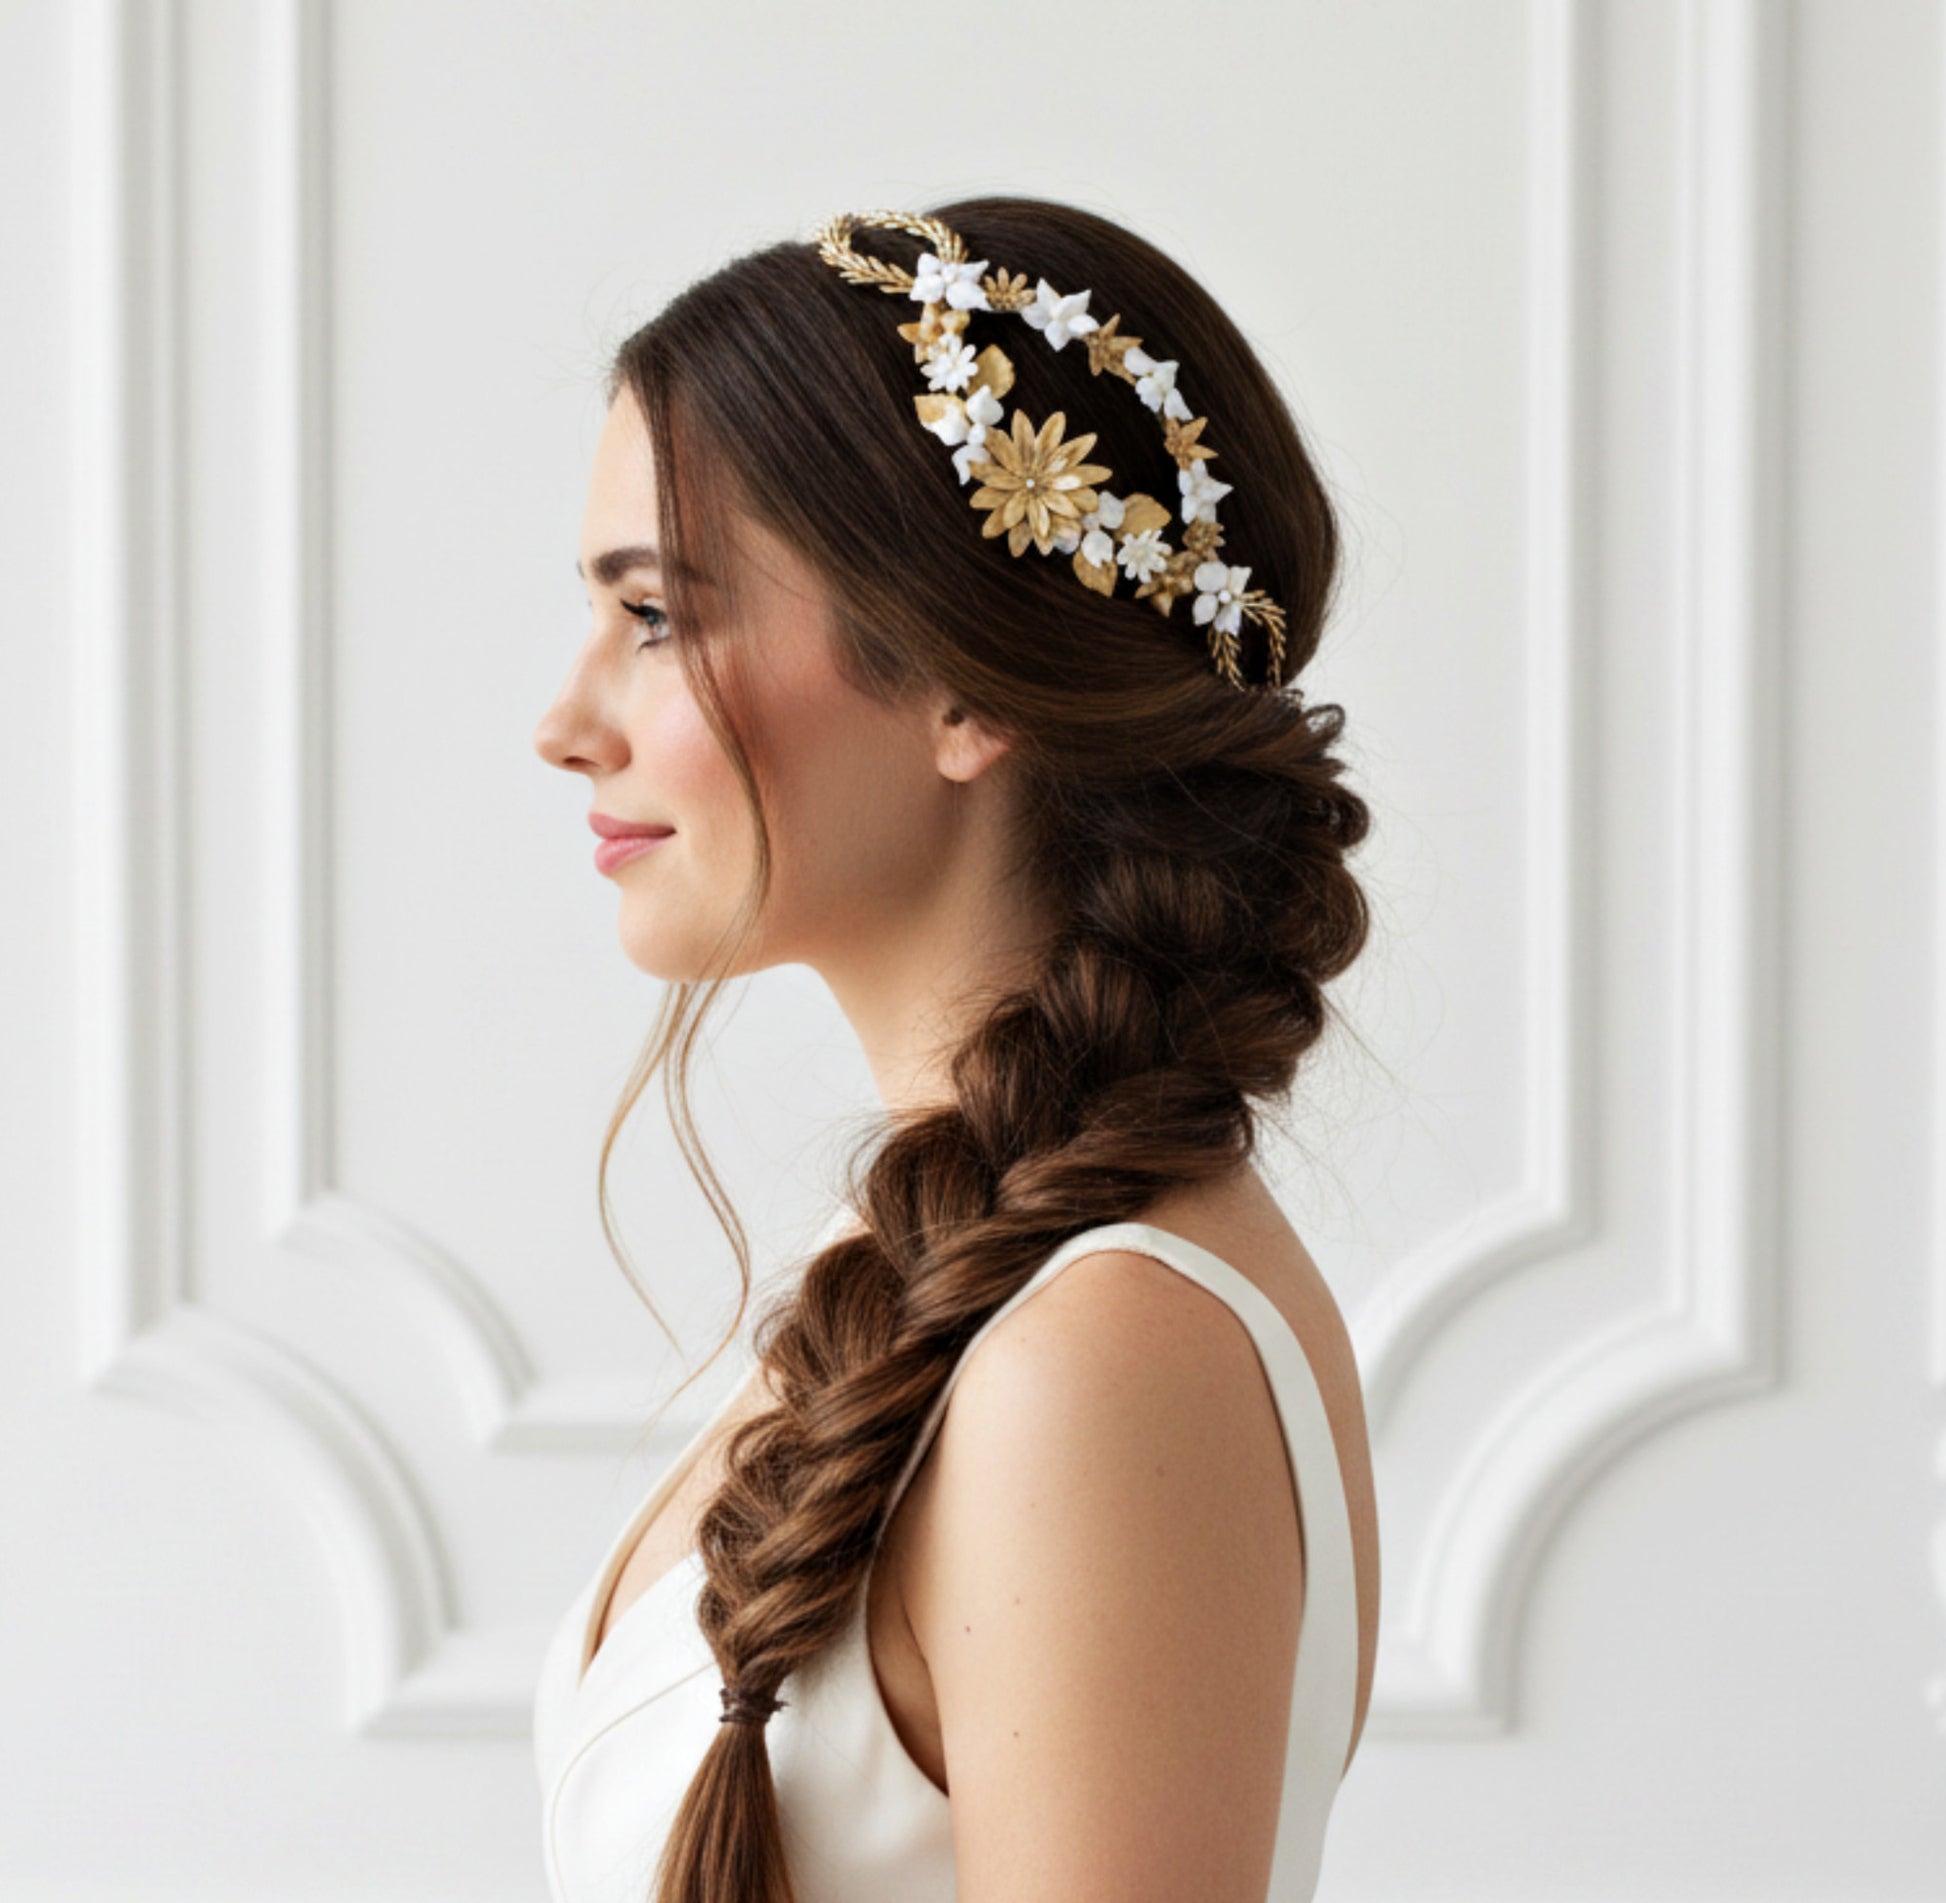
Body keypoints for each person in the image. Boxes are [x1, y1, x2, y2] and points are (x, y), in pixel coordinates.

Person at [529, 196, 1381, 1903]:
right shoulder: (954, 1276)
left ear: (962, 685)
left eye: (653, 615)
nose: (565, 726)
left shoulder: (1099, 1354)